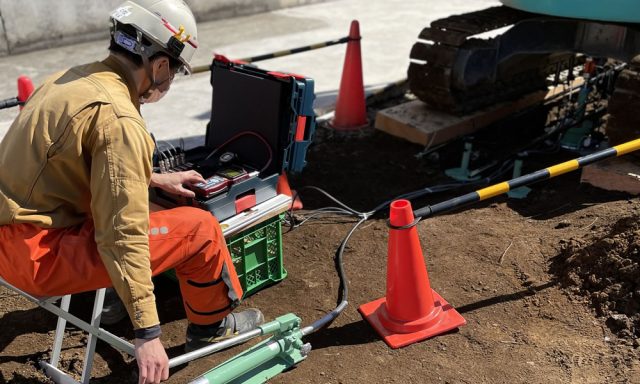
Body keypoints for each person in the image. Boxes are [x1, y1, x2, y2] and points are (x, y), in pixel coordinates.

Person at [0, 1, 264, 383]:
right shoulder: (120, 119)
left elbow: (73, 166)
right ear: (159, 65)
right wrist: (148, 333)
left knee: (128, 208)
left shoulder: (69, 79)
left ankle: (108, 302)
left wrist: (152, 178)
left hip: (11, 236)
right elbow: (122, 235)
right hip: (40, 258)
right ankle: (212, 328)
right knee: (199, 229)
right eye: (173, 71)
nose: (169, 81)